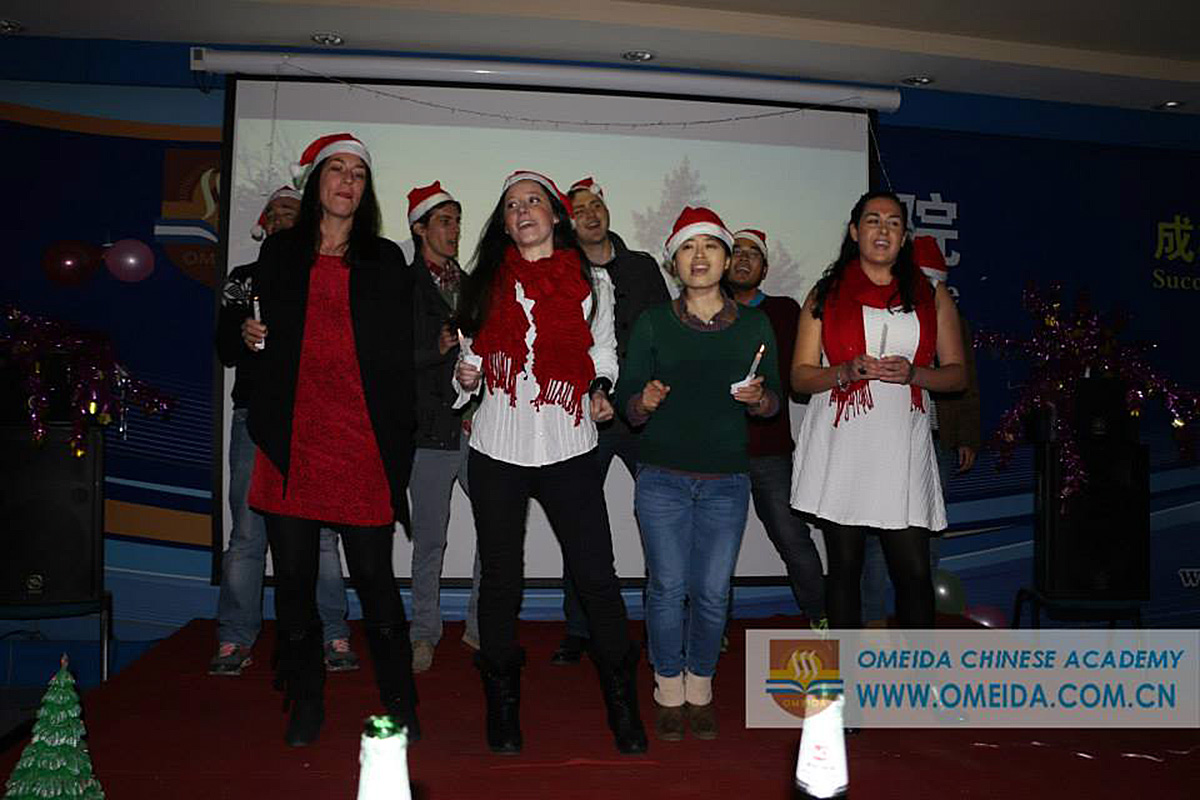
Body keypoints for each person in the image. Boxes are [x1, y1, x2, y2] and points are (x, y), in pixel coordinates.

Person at [453, 170, 647, 755]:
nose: (523, 210)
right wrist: (466, 377)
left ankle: (623, 705)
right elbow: (469, 359)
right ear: (504, 223)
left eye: (534, 200)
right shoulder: (483, 284)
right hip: (497, 447)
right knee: (500, 581)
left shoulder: (592, 282)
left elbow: (603, 350)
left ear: (555, 215)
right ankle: (502, 705)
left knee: (597, 578)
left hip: (569, 444)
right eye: (512, 205)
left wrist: (601, 386)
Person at [241, 133, 419, 747]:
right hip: (292, 439)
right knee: (293, 583)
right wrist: (248, 334)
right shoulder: (280, 252)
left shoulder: (385, 259)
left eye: (358, 173)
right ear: (317, 181)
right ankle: (305, 701)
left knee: (375, 581)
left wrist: (399, 439)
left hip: (360, 440)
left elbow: (399, 358)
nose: (347, 181)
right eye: (336, 170)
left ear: (366, 190)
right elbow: (254, 333)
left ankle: (401, 701)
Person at [615, 207, 781, 741]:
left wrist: (758, 399)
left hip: (726, 480)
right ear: (674, 262)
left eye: (711, 245)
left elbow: (773, 402)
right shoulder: (652, 322)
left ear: (727, 260)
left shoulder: (755, 325)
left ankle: (701, 685)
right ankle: (668, 686)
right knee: (667, 588)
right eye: (688, 247)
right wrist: (643, 401)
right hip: (661, 476)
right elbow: (628, 403)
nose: (700, 256)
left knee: (711, 592)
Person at [790, 190, 966, 631]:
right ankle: (848, 668)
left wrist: (914, 374)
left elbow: (957, 375)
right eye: (872, 220)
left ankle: (916, 671)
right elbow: (800, 377)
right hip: (843, 441)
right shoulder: (825, 293)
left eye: (893, 222)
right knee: (844, 568)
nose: (882, 229)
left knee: (914, 571)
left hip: (901, 442)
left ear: (904, 236)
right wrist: (844, 371)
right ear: (854, 231)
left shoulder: (931, 295)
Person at [211, 186, 360, 677]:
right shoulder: (244, 278)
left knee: (322, 534)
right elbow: (224, 349)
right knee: (247, 533)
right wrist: (242, 333)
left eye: (289, 213)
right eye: (272, 213)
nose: (279, 219)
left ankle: (333, 631)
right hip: (255, 416)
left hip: (314, 418)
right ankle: (235, 638)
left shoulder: (323, 274)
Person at [548, 176, 671, 666]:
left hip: (644, 416)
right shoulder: (560, 269)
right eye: (579, 209)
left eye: (596, 205)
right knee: (581, 525)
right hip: (585, 415)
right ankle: (579, 628)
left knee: (660, 523)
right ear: (567, 222)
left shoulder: (641, 266)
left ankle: (663, 624)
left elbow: (665, 332)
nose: (591, 214)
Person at [859, 235, 980, 624]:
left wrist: (967, 437)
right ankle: (873, 620)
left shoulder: (954, 323)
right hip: (887, 440)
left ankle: (918, 619)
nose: (928, 290)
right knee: (877, 533)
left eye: (935, 284)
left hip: (936, 441)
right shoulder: (887, 316)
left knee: (928, 533)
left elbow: (967, 384)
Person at [725, 228, 825, 624]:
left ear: (765, 269)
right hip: (717, 452)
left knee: (792, 537)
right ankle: (714, 628)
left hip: (770, 449)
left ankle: (820, 616)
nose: (743, 258)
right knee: (714, 548)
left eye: (753, 254)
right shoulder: (705, 309)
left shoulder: (784, 311)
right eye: (736, 251)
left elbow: (798, 378)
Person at [404, 180, 481, 671]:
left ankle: (480, 626)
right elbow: (389, 358)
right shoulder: (402, 285)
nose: (454, 230)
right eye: (444, 221)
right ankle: (424, 633)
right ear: (420, 228)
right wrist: (435, 349)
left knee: (495, 530)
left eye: (457, 222)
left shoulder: (472, 286)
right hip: (429, 430)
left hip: (478, 429)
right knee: (430, 541)